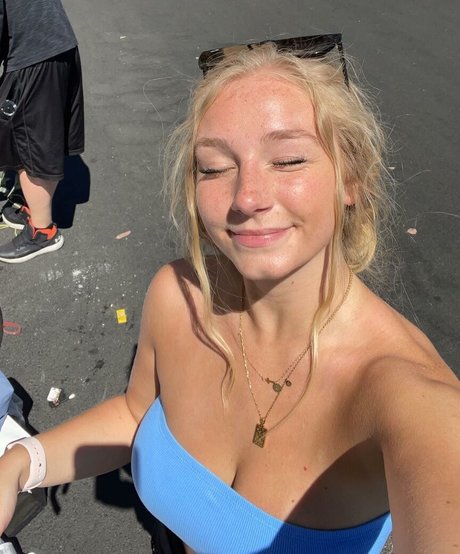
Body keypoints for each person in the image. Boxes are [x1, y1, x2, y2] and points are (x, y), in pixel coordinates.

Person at [0, 34, 459, 553]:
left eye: (288, 160)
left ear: (351, 179)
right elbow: (136, 415)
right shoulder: (179, 296)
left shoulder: (409, 400)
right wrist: (21, 463)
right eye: (215, 167)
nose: (247, 197)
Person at [0, 0, 84, 263]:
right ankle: (35, 208)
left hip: (35, 55)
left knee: (29, 144)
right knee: (31, 138)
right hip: (57, 45)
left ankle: (42, 232)